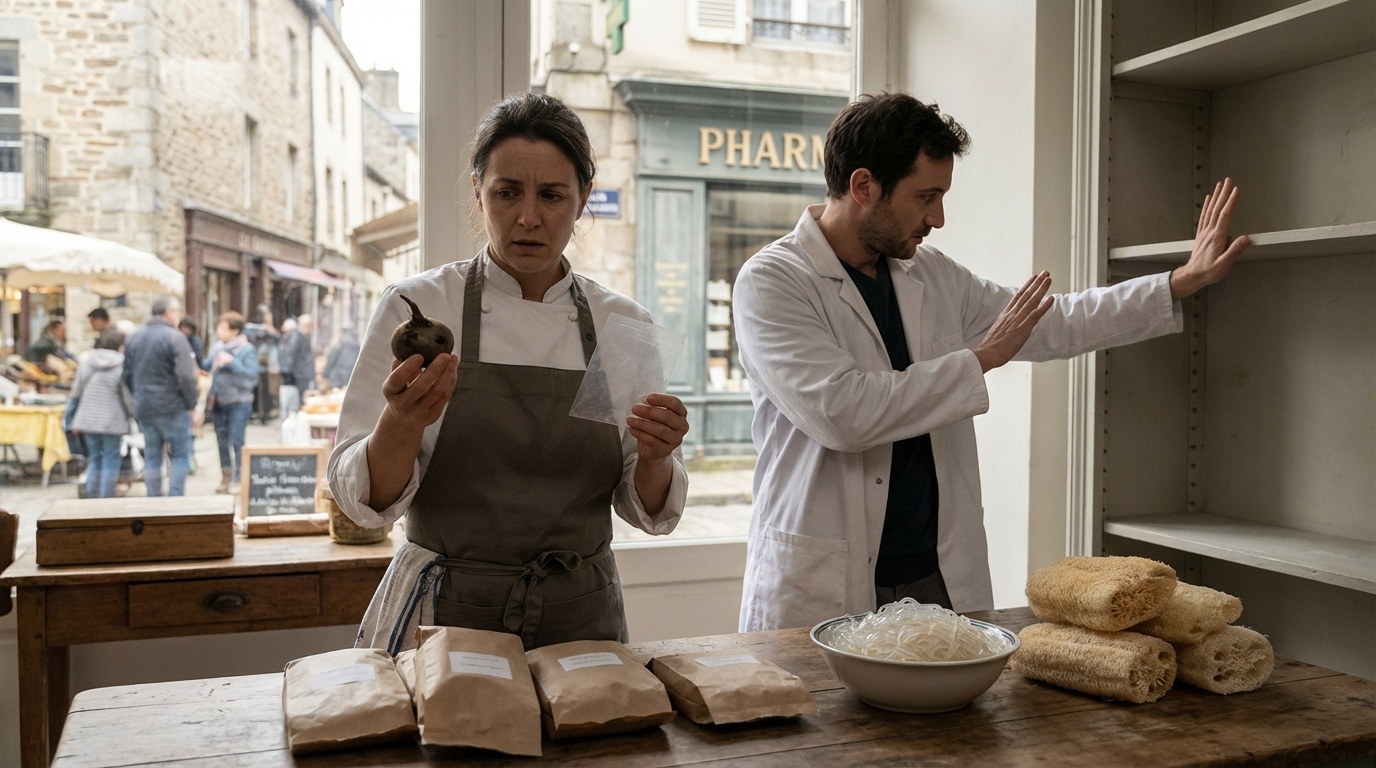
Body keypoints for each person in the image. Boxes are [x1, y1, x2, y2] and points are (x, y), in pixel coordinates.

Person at [732, 93, 1251, 631]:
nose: (937, 217)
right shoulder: (773, 281)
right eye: (925, 196)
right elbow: (842, 413)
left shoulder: (931, 275)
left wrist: (1176, 282)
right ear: (864, 187)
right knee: (826, 715)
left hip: (934, 575)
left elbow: (1053, 321)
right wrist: (978, 360)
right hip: (825, 579)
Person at [329, 93, 691, 653]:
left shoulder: (622, 324)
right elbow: (359, 500)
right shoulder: (419, 307)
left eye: (551, 195)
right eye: (506, 193)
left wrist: (655, 456)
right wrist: (400, 422)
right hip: (445, 614)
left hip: (581, 618)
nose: (529, 217)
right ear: (478, 194)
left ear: (582, 199)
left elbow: (648, 509)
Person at [123, 296, 199, 496]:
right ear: (169, 313)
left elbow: (127, 375)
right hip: (172, 405)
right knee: (180, 455)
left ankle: (153, 500)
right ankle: (174, 499)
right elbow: (186, 376)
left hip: (145, 405)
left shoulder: (134, 338)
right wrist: (192, 404)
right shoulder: (175, 338)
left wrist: (138, 396)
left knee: (152, 456)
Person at [69, 329, 133, 498]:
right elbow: (126, 395)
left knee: (95, 459)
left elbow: (77, 392)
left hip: (88, 417)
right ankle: (106, 499)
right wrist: (134, 414)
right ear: (120, 346)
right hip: (112, 418)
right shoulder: (122, 364)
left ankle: (92, 496)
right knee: (111, 460)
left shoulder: (88, 361)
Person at [203, 311, 259, 493]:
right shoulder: (216, 347)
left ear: (235, 331)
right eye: (219, 327)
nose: (220, 331)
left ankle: (239, 478)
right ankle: (225, 477)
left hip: (239, 402)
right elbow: (207, 366)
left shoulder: (246, 349)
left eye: (224, 328)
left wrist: (233, 362)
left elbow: (252, 377)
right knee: (220, 441)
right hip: (219, 401)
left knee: (237, 440)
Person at [278, 314, 315, 414]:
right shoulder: (296, 338)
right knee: (299, 405)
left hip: (300, 375)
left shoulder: (300, 337)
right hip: (299, 377)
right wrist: (292, 375)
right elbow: (289, 357)